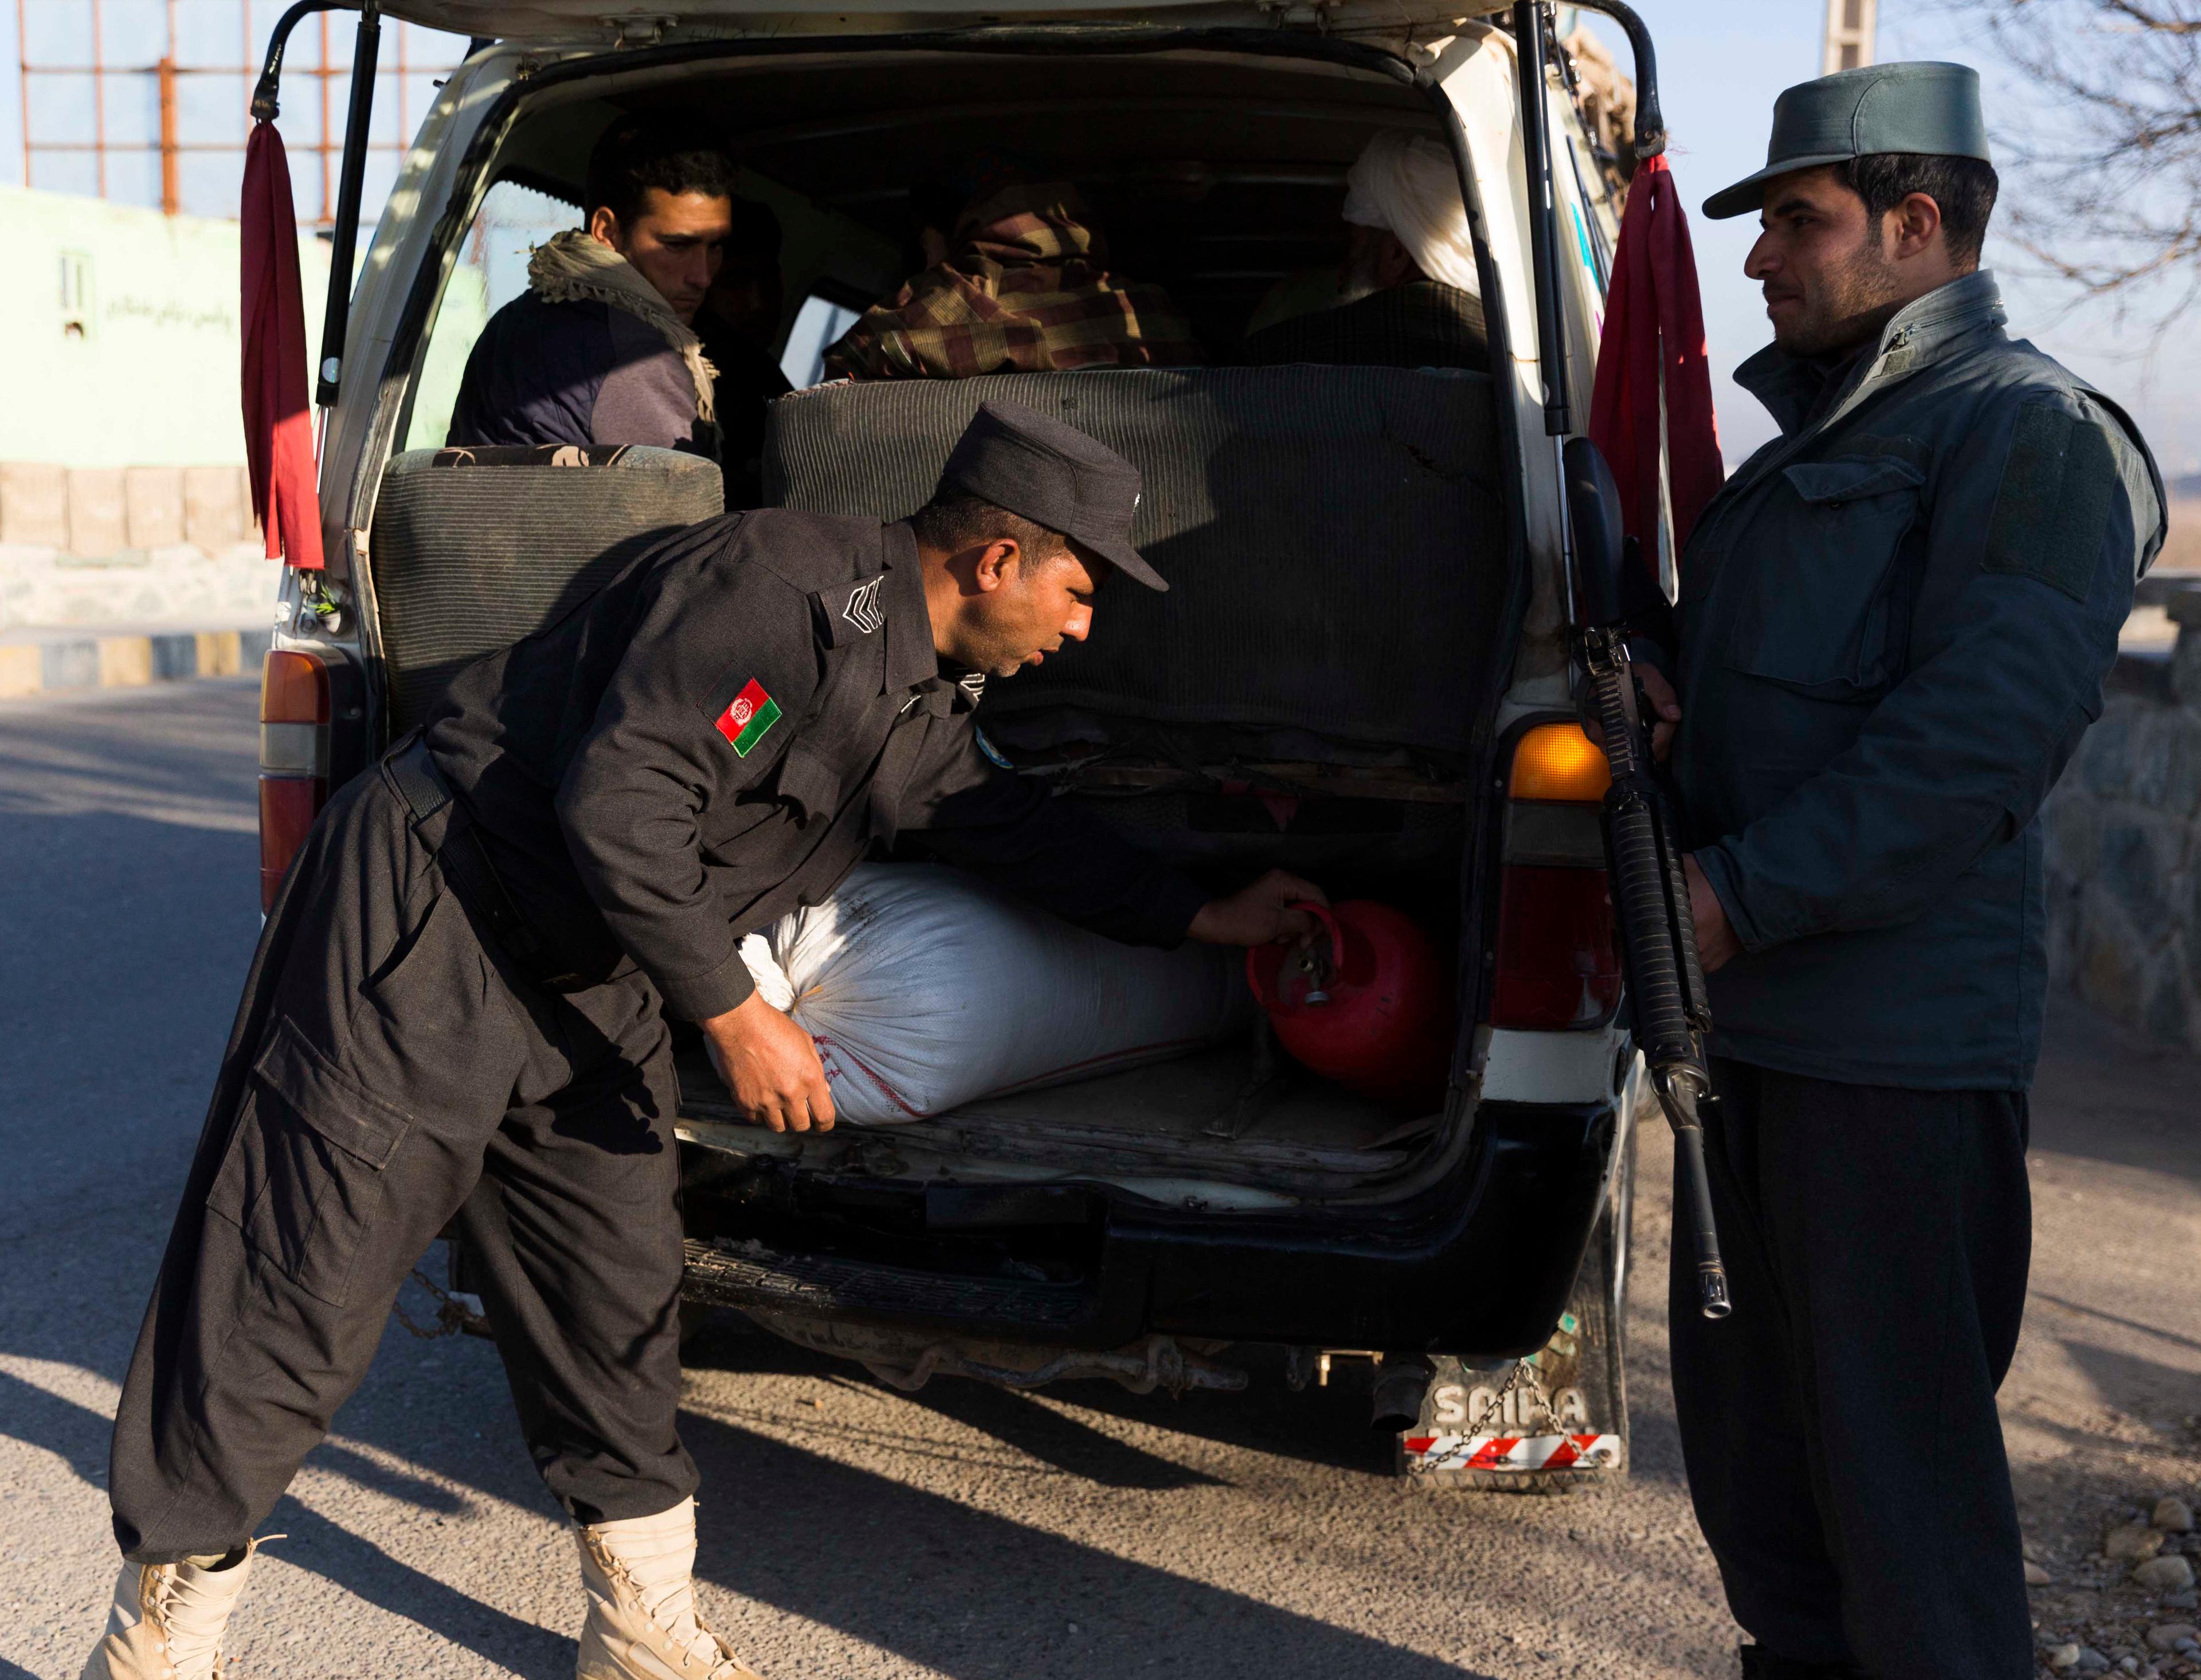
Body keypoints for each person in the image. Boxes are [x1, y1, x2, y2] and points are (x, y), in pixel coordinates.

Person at [82, 401, 1323, 1680]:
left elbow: (995, 819)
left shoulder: (916, 686)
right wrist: (738, 1012)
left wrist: (1202, 913)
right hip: (434, 918)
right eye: (1080, 588)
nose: (1083, 626)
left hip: (597, 967)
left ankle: (640, 1634)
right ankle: (159, 1644)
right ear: (997, 559)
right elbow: (622, 805)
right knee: (299, 1276)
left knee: (613, 1288)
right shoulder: (774, 592)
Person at [1646, 62, 2164, 1680]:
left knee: (1906, 1534)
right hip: (1752, 1053)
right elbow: (1768, 697)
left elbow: (1970, 749)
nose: (1760, 260)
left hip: (1891, 1071)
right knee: (1768, 1515)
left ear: (1918, 224)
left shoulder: (2029, 435)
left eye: (1795, 221)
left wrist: (1729, 899)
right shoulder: (1810, 452)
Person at [448, 117, 737, 457]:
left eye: (715, 246)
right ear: (607, 231)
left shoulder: (513, 318)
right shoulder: (635, 355)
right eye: (676, 245)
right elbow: (691, 505)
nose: (703, 276)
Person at [823, 178, 1205, 378]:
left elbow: (844, 369)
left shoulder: (951, 296)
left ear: (962, 231)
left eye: (927, 247)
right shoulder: (1149, 308)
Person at [1239, 130, 1487, 371]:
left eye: (1355, 241)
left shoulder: (1282, 353)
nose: (1346, 262)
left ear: (1396, 255)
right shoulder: (1514, 356)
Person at [692, 195, 794, 504]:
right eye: (735, 284)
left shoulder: (760, 370)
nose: (757, 302)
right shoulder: (720, 361)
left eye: (767, 282)